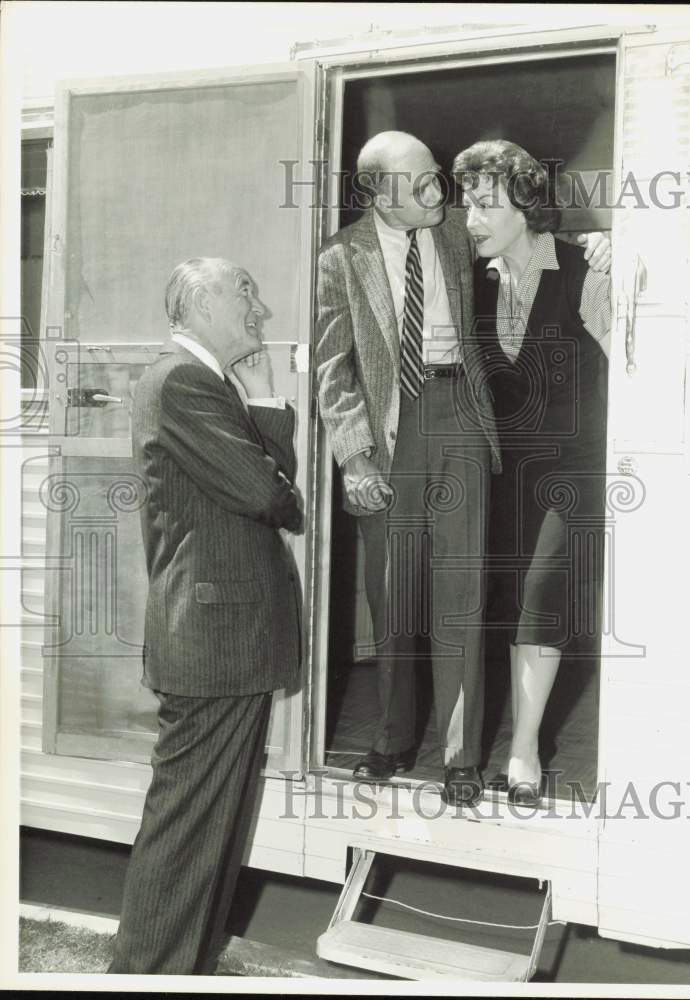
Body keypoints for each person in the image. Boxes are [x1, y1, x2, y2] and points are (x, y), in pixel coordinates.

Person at [315, 131, 608, 808]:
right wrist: (354, 455)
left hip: (463, 417)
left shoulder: (458, 230)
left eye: (435, 181)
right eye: (417, 183)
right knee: (393, 593)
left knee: (462, 594)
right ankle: (390, 737)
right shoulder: (340, 256)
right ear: (375, 191)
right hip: (388, 429)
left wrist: (603, 244)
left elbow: (540, 242)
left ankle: (460, 755)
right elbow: (332, 368)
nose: (436, 195)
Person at [108, 258, 302, 974]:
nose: (259, 306)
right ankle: (145, 975)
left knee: (213, 828)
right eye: (243, 290)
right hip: (214, 639)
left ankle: (176, 971)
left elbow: (277, 495)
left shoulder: (207, 385)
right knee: (189, 830)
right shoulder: (182, 382)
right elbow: (270, 495)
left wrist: (255, 403)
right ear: (197, 302)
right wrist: (267, 411)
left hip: (228, 638)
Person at [452, 139, 612, 806]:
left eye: (484, 203)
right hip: (505, 472)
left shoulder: (584, 270)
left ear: (525, 203)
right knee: (506, 604)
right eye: (465, 203)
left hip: (574, 470)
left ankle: (523, 751)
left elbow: (642, 359)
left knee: (543, 597)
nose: (470, 218)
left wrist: (622, 245)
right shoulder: (476, 284)